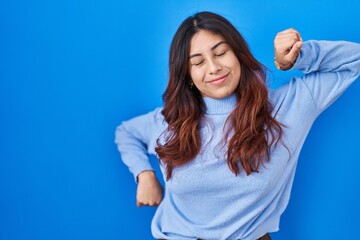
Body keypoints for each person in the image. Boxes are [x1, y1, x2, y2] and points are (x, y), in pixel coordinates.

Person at [115, 11, 360, 240]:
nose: (214, 68)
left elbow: (355, 59)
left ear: (238, 54)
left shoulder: (287, 108)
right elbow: (126, 132)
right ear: (187, 75)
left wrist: (296, 58)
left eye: (221, 53)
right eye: (198, 62)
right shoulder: (170, 121)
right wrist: (144, 175)